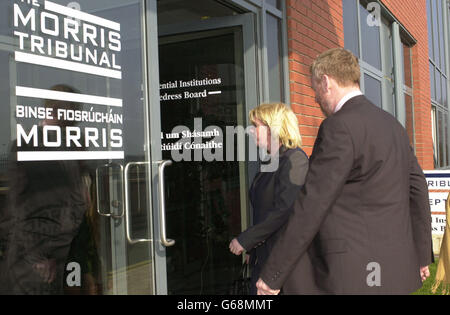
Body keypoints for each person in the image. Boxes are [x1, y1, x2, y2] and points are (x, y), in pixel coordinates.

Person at [256, 48, 432, 295]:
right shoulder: (393, 125)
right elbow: (418, 188)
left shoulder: (337, 127)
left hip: (352, 276)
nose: (316, 98)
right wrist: (422, 253)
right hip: (396, 271)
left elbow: (312, 205)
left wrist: (273, 275)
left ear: (326, 81)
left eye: (314, 88)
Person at [229, 103, 320, 294]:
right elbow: (264, 211)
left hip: (281, 264)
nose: (251, 131)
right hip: (263, 258)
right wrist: (253, 250)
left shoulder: (295, 160)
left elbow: (284, 211)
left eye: (256, 126)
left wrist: (246, 239)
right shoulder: (271, 161)